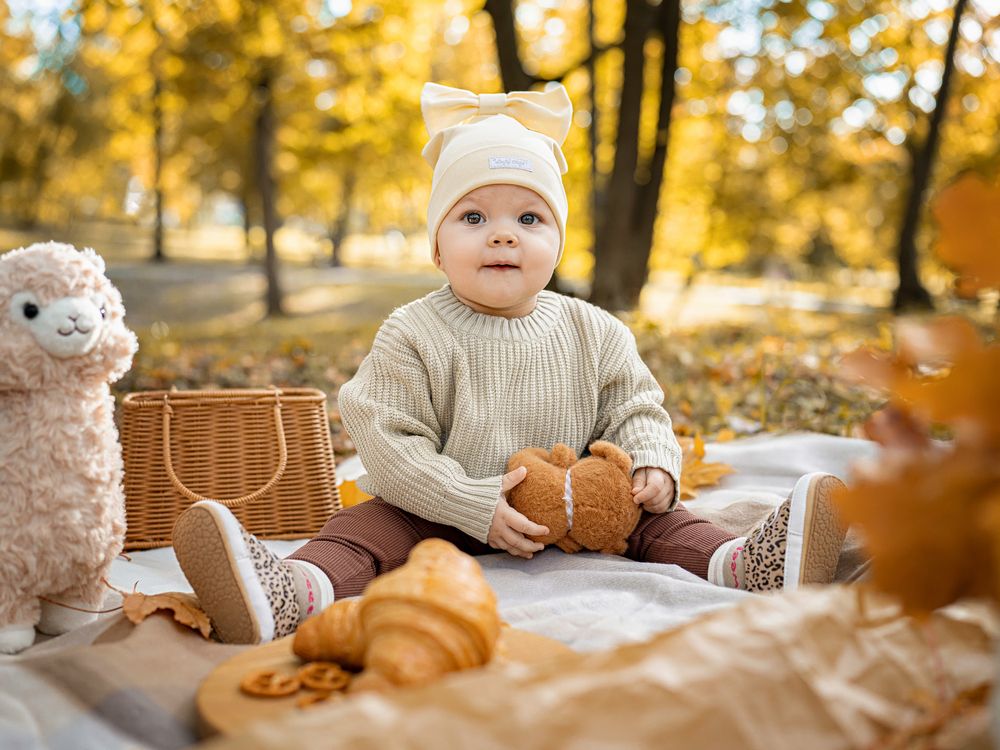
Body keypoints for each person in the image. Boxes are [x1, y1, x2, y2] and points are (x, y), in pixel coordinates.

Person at [172, 81, 848, 644]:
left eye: (530, 218)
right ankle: (294, 591)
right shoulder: (414, 331)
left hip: (583, 509)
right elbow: (384, 439)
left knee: (660, 522)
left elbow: (636, 405)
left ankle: (741, 566)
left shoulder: (594, 329)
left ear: (556, 240)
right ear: (437, 248)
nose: (502, 233)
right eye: (472, 218)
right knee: (361, 528)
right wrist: (468, 502)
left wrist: (652, 464)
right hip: (443, 505)